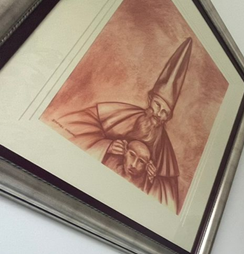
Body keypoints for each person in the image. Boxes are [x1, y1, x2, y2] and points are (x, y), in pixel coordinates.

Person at [51, 38, 193, 213]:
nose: (158, 114)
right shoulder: (121, 114)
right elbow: (70, 127)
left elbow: (168, 202)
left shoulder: (165, 149)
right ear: (150, 99)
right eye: (157, 105)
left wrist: (153, 180)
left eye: (165, 112)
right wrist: (106, 146)